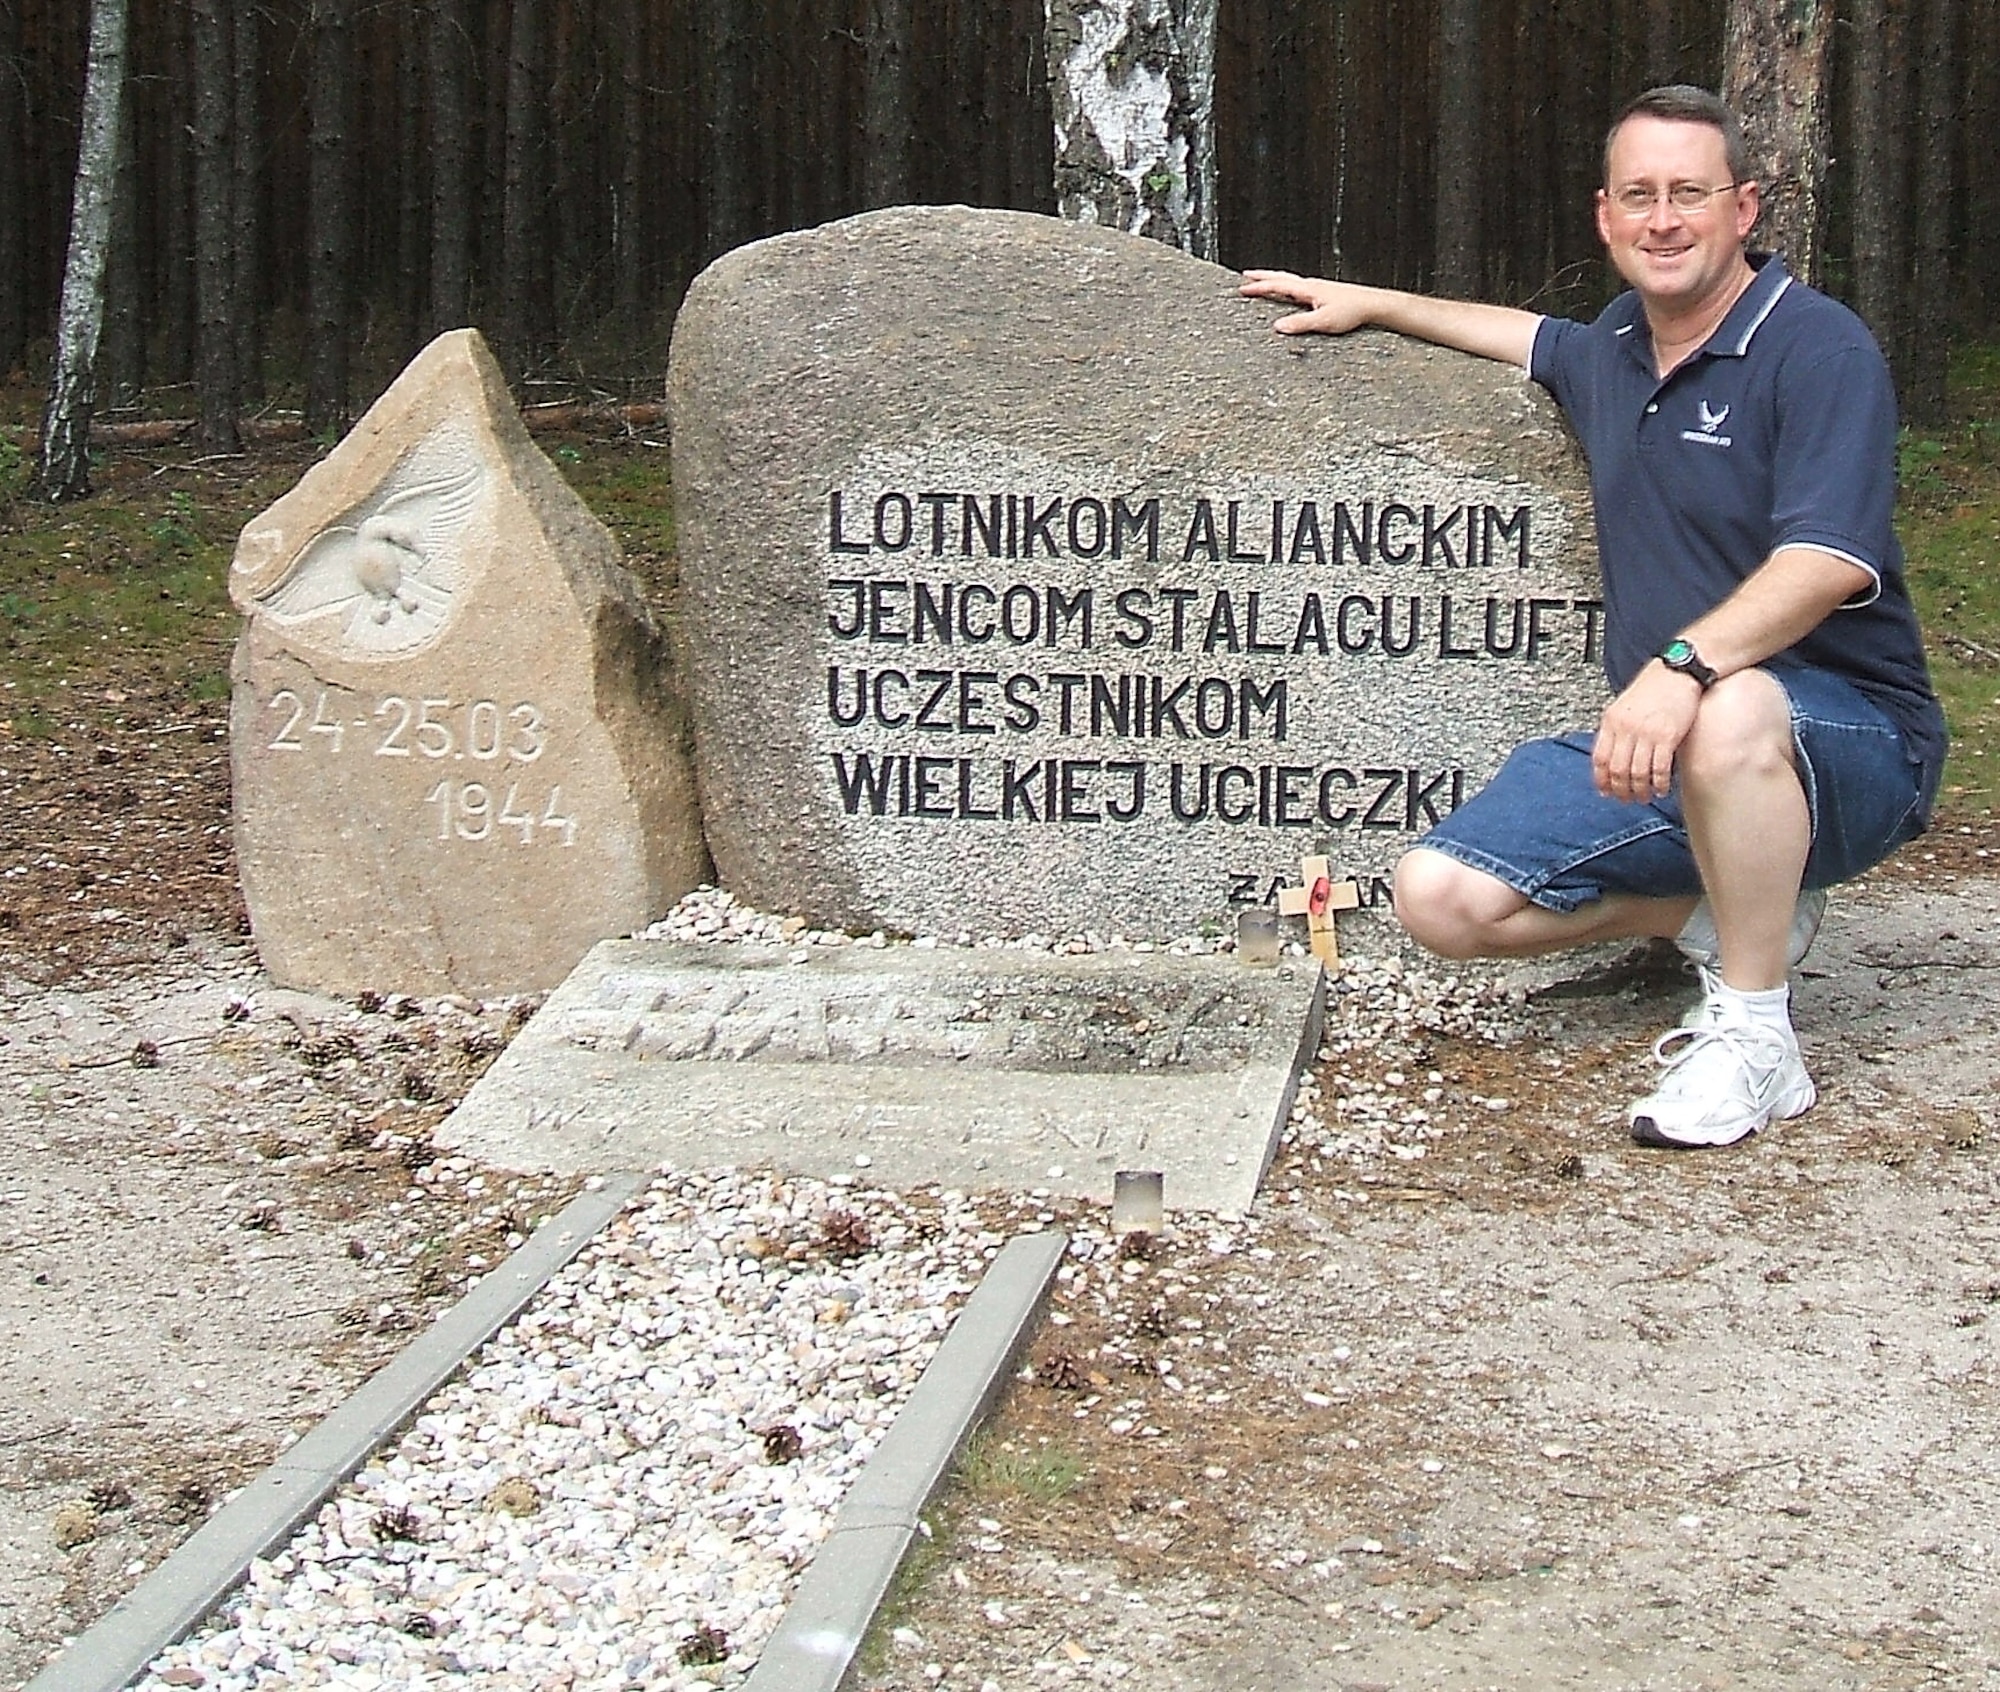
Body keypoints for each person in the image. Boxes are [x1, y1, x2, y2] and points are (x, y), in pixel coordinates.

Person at [1239, 84, 1945, 1151]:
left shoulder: (1816, 347)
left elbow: (1826, 561)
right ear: (1604, 216)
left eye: (1689, 194)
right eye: (1639, 196)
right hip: (1675, 745)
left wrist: (1678, 668)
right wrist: (1373, 300)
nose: (1663, 219)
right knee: (1439, 899)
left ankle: (1756, 1041)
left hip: (1845, 746)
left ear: (1743, 209)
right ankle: (1724, 916)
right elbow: (1528, 336)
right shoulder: (1617, 346)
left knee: (1730, 705)